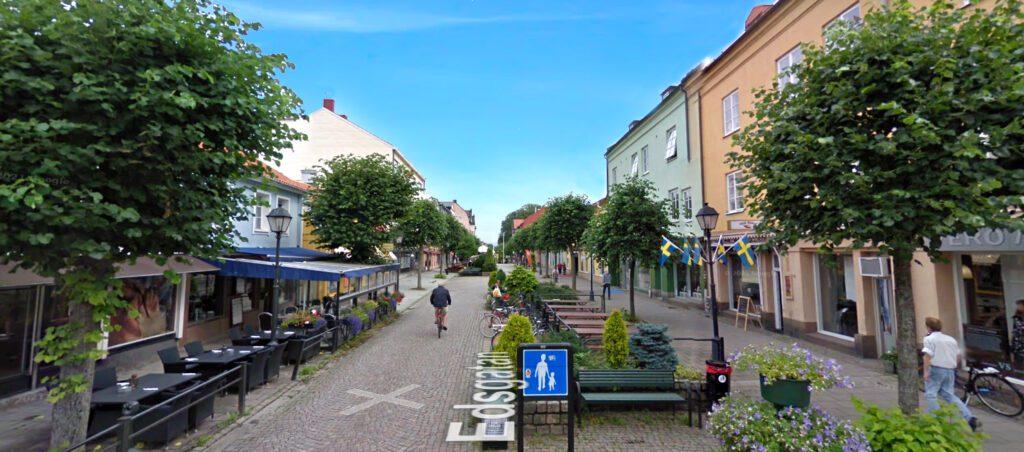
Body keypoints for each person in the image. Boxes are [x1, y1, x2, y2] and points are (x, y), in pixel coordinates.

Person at [922, 317, 979, 431]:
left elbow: (927, 356)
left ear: (928, 328)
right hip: (950, 369)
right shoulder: (950, 339)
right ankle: (969, 417)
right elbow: (958, 355)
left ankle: (935, 419)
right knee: (949, 395)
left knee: (931, 394)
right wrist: (953, 365)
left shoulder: (929, 339)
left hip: (936, 369)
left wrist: (926, 372)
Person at [1013, 300, 1024, 366]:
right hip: (1018, 345)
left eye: (1020, 305)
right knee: (1018, 363)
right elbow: (1015, 330)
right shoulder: (1017, 317)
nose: (1018, 307)